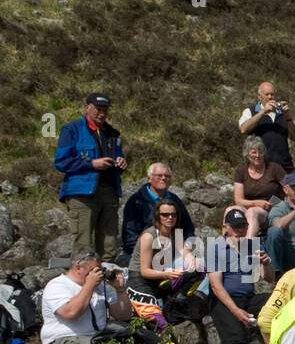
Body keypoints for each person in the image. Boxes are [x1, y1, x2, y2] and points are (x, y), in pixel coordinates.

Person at [55, 93, 125, 261]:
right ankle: (80, 282)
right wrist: (92, 164)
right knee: (83, 243)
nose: (102, 113)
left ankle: (107, 282)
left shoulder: (113, 134)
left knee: (109, 244)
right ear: (87, 107)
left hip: (109, 192)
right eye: (98, 109)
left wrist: (121, 163)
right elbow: (61, 162)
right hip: (81, 194)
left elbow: (118, 158)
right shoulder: (71, 130)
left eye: (105, 110)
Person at [206, 208, 273, 344]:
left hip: (248, 298)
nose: (240, 231)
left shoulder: (252, 245)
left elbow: (269, 279)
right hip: (223, 300)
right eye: (235, 227)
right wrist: (236, 311)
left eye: (243, 226)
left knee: (276, 301)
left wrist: (266, 263)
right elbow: (215, 286)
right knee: (234, 336)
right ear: (225, 228)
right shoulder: (215, 247)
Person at [40, 251, 134, 344]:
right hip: (63, 342)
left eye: (99, 269)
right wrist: (89, 286)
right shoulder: (57, 285)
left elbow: (123, 316)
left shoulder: (100, 287)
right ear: (78, 267)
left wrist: (120, 290)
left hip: (96, 338)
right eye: (93, 270)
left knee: (135, 342)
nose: (97, 273)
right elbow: (71, 313)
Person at [127, 199, 201, 329]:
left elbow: (185, 253)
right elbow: (144, 271)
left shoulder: (176, 233)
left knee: (201, 268)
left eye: (173, 214)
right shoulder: (148, 236)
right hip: (140, 280)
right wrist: (167, 274)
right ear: (157, 216)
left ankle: (174, 305)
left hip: (160, 279)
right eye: (165, 215)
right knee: (158, 324)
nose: (170, 217)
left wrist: (193, 262)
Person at [121, 162, 194, 264]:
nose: (164, 178)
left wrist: (187, 248)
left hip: (173, 252)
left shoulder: (175, 200)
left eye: (167, 176)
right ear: (149, 178)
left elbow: (188, 228)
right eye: (159, 175)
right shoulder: (136, 201)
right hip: (143, 255)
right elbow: (130, 236)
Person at [232, 136, 286, 238]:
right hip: (248, 207)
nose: (258, 155)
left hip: (271, 209)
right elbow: (238, 200)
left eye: (260, 152)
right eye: (254, 152)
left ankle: (247, 248)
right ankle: (226, 249)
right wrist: (256, 203)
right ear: (247, 154)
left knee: (252, 212)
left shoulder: (274, 168)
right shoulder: (241, 171)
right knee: (231, 210)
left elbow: (289, 187)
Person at [238, 81, 295, 173]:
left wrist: (288, 118)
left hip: (285, 167)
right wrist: (262, 112)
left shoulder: (282, 112)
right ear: (259, 96)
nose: (270, 97)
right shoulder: (250, 111)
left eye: (272, 94)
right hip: (262, 168)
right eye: (266, 94)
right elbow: (243, 129)